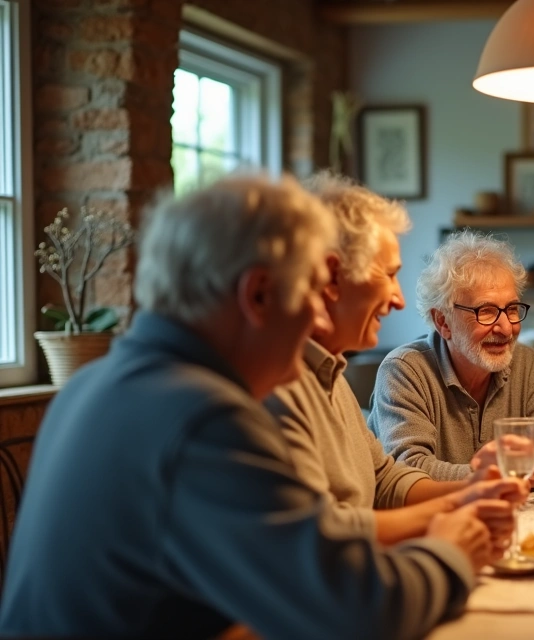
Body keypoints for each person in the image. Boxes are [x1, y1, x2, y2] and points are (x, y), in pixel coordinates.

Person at [0, 175, 493, 639]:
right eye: (310, 293)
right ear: (257, 295)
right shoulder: (203, 419)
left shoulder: (95, 383)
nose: (318, 317)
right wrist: (449, 552)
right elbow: (356, 611)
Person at [265, 172, 527, 549]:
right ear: (331, 276)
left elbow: (385, 479)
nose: (399, 299)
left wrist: (471, 491)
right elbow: (321, 538)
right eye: (389, 275)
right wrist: (446, 542)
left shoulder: (331, 372)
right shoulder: (275, 386)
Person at [369, 230, 534, 483]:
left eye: (512, 309)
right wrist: (491, 474)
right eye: (486, 311)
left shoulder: (524, 363)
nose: (506, 328)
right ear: (443, 321)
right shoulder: (405, 371)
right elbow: (407, 468)